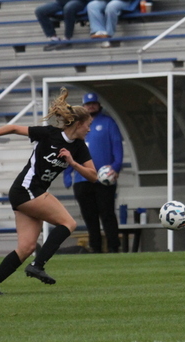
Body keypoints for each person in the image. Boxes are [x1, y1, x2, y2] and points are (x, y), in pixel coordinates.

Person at [0, 88, 98, 295]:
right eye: (88, 125)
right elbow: (15, 128)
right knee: (68, 223)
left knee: (26, 248)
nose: (89, 129)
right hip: (25, 189)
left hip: (31, 193)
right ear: (78, 124)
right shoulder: (50, 134)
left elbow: (93, 176)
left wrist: (72, 163)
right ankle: (38, 265)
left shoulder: (79, 147)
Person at [63, 92, 123, 253]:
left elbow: (117, 146)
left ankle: (113, 247)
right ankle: (95, 247)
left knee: (107, 214)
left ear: (98, 104)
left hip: (104, 179)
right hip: (82, 180)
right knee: (90, 216)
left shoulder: (109, 123)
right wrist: (67, 174)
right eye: (88, 104)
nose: (91, 106)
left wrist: (116, 167)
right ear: (83, 107)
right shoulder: (77, 126)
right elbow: (71, 151)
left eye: (93, 103)